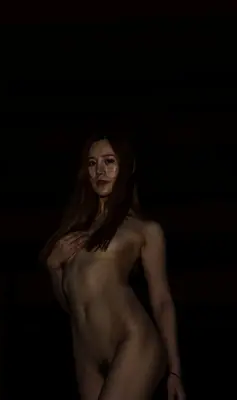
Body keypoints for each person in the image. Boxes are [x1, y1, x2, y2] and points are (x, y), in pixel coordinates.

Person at [39, 133, 186, 400]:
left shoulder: (144, 229)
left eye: (109, 161)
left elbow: (162, 300)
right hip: (86, 350)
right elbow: (72, 305)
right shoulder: (75, 233)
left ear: (126, 167)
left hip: (132, 340)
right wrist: (53, 267)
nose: (100, 171)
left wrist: (174, 370)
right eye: (92, 163)